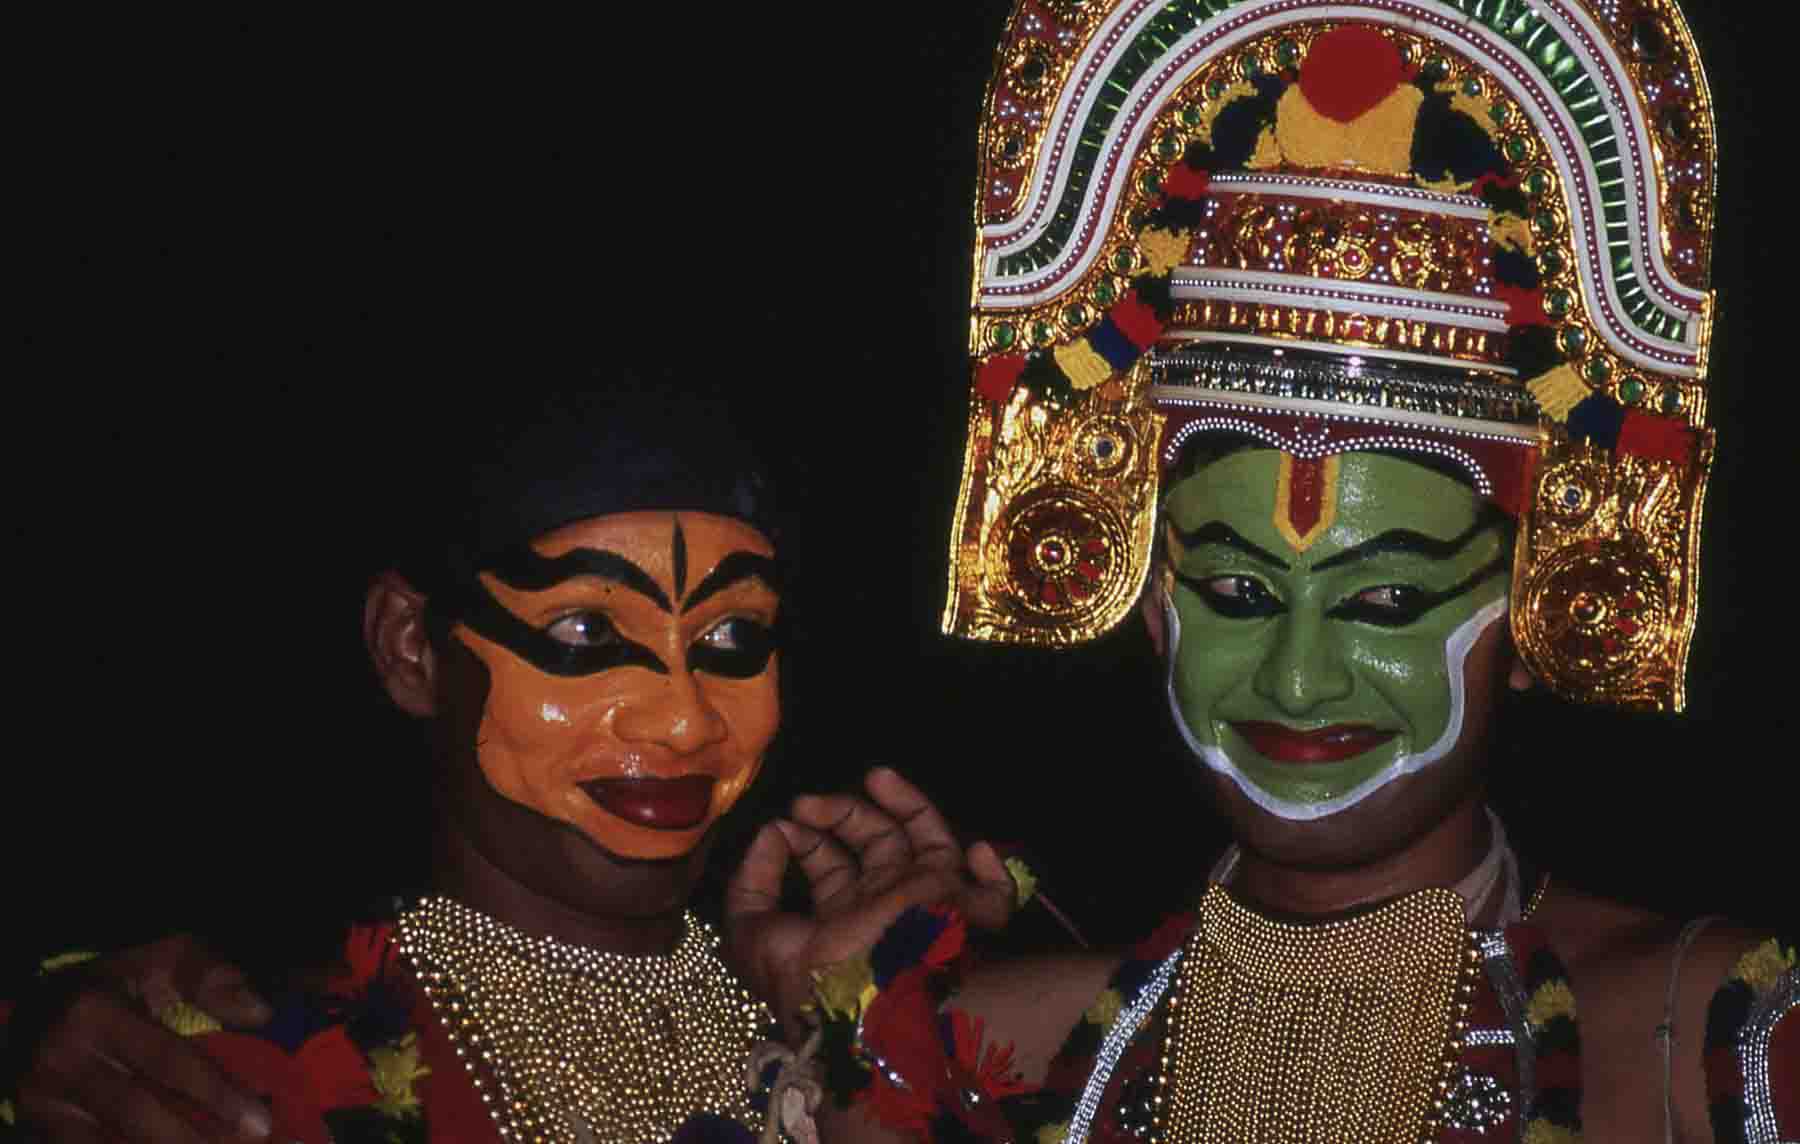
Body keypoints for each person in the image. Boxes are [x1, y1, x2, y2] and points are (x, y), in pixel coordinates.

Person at [730, 3, 1793, 1141]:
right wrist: (849, 1032)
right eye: (1237, 593)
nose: (1295, 681)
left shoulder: (1712, 1036)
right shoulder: (996, 1056)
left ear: (1532, 613)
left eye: (1385, 599)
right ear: (1149, 601)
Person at [0, 383, 1017, 1143]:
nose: (680, 720)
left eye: (732, 641)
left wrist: (869, 1010)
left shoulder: (869, 1013)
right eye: (582, 632)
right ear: (412, 648)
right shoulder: (222, 1075)